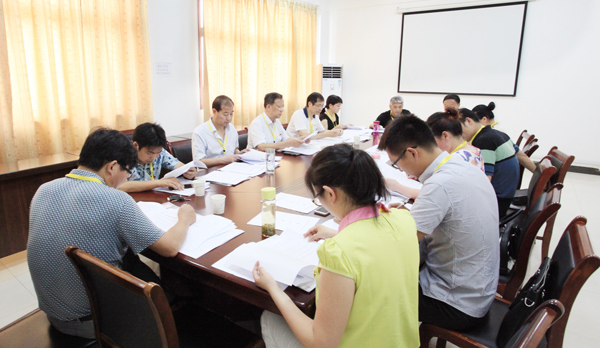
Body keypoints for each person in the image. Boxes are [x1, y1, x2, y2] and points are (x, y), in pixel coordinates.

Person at [27, 128, 196, 339]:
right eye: (128, 171)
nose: (126, 178)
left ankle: (169, 297)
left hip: (54, 311)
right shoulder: (115, 199)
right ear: (112, 166)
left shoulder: (43, 189)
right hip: (95, 320)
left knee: (129, 257)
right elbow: (169, 248)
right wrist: (185, 218)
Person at [253, 144, 419, 347]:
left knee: (269, 318)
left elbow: (321, 343)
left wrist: (273, 288)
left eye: (318, 198)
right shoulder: (403, 218)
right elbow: (374, 244)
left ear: (330, 194)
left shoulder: (339, 252)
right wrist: (336, 233)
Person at [378, 115, 499, 331]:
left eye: (396, 164)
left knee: (371, 289)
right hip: (478, 287)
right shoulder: (462, 165)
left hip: (457, 303)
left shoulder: (439, 185)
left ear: (412, 153)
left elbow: (399, 245)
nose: (401, 170)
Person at [459, 108, 519, 220]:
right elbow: (522, 155)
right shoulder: (498, 133)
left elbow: (485, 181)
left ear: (468, 121)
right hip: (506, 196)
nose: (457, 134)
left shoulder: (484, 141)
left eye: (458, 129)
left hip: (497, 203)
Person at [119, 122, 197, 193]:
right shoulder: (124, 156)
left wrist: (188, 171)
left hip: (153, 198)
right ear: (136, 145)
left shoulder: (160, 152)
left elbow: (178, 165)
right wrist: (158, 183)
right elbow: (121, 186)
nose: (154, 157)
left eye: (158, 152)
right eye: (149, 153)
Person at [473, 102, 536, 173]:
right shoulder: (498, 128)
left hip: (499, 171)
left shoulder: (493, 133)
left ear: (484, 119)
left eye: (475, 121)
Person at [192, 95, 248, 167]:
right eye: (225, 114)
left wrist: (240, 153)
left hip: (231, 168)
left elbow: (234, 150)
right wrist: (222, 160)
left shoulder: (231, 128)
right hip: (210, 171)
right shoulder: (200, 132)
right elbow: (198, 161)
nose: (229, 118)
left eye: (231, 114)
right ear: (214, 111)